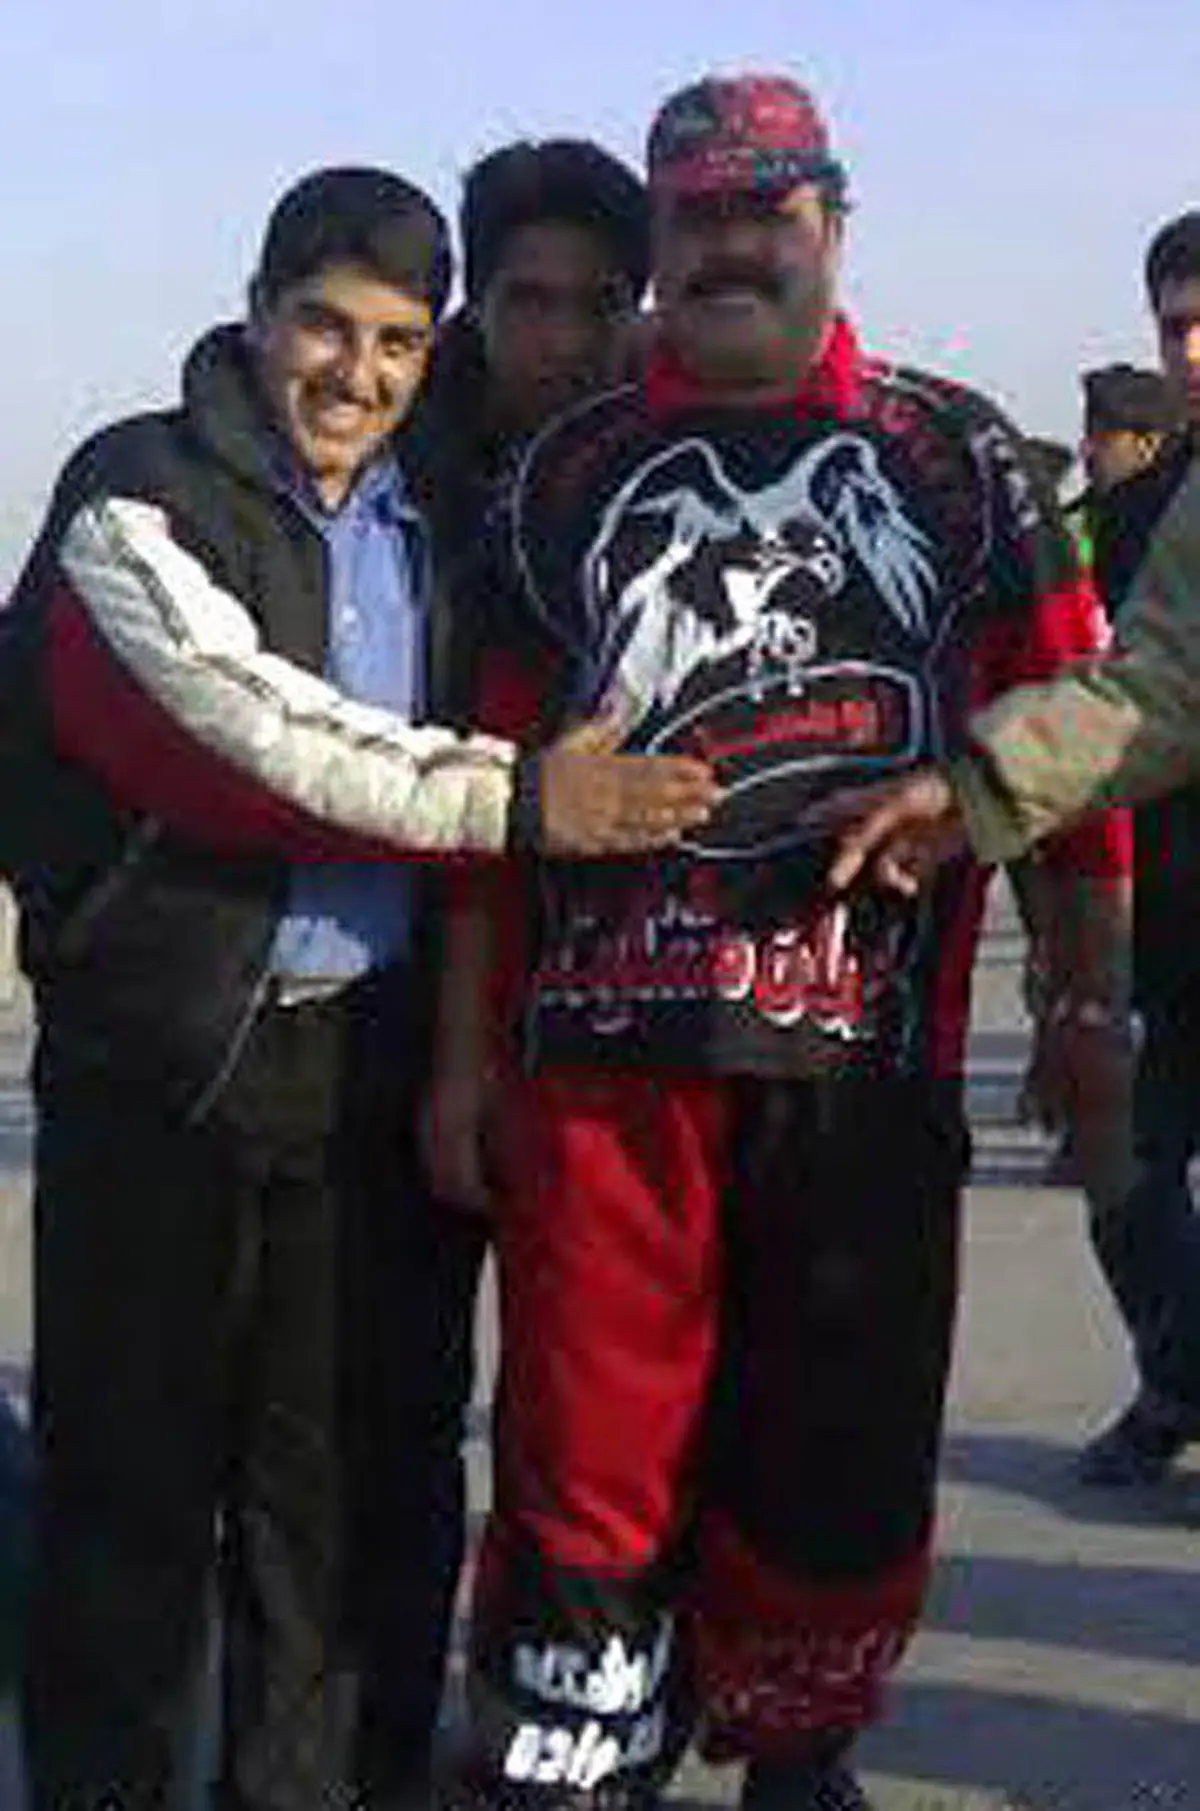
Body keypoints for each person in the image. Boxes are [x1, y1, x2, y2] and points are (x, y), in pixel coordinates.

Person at [431, 73, 1130, 1811]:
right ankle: (579, 1746)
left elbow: (1077, 739)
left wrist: (1084, 998)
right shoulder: (567, 470)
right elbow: (483, 803)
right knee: (589, 1446)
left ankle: (798, 1748)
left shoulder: (959, 454)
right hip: (604, 1075)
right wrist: (460, 1058)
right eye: (702, 215)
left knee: (841, 1445)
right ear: (661, 237)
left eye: (771, 210)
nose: (735, 245)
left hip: (867, 1063)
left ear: (834, 222)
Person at [3, 165, 716, 1811]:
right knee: (129, 1502)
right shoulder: (135, 493)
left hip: (370, 1085)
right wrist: (528, 797)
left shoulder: (456, 517)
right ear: (258, 313)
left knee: (336, 1514)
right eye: (326, 326)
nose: (357, 372)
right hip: (164, 1069)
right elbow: (259, 739)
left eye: (398, 340)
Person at [355, 138, 653, 1802]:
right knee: (392, 1409)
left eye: (600, 305)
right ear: (476, 304)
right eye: (532, 301)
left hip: (623, 1020)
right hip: (404, 1001)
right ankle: (383, 1736)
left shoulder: (673, 463)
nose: (567, 339)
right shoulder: (400, 475)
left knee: (584, 1420)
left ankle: (554, 1710)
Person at [831, 209, 1200, 1493]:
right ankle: (1178, 1373)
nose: (1194, 352)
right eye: (1178, 325)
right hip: (1163, 892)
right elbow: (1147, 691)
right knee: (1122, 1159)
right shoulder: (1146, 512)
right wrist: (981, 790)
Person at [1065, 362, 1180, 606]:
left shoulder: (1173, 522)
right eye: (1086, 437)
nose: (1086, 451)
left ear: (1147, 444)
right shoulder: (1091, 517)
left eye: (1101, 439)